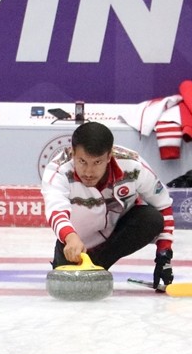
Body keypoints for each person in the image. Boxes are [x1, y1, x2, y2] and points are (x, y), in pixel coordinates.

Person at [41, 121, 175, 290]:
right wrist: (70, 238)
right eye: (82, 161)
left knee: (151, 218)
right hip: (73, 245)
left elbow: (163, 206)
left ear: (109, 156)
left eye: (97, 162)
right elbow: (56, 211)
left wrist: (164, 256)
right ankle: (76, 266)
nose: (88, 172)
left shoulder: (134, 167)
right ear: (72, 152)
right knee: (68, 289)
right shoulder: (58, 170)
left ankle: (98, 267)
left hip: (113, 239)